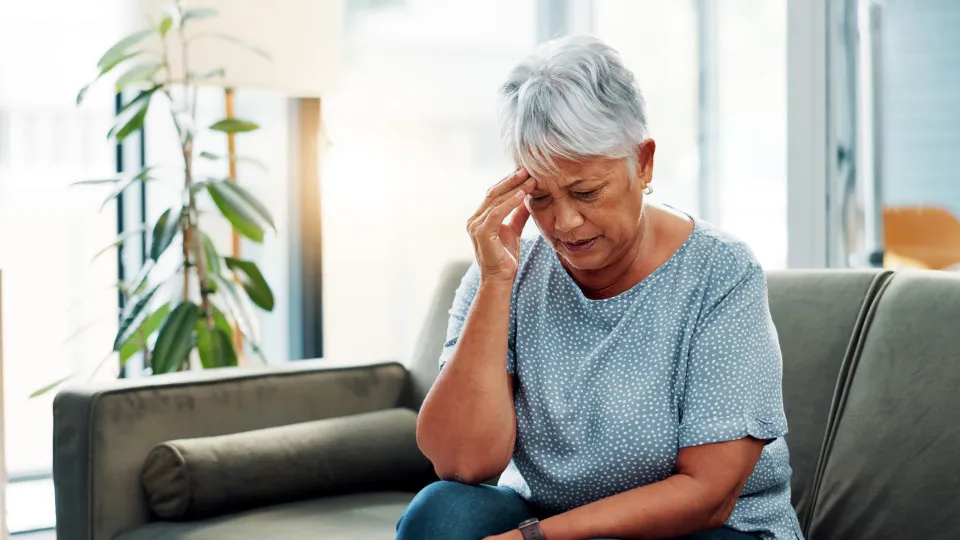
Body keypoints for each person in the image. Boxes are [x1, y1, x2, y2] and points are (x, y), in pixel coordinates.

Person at [397, 35, 804, 540]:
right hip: (553, 517)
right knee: (443, 513)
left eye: (586, 192)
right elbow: (462, 463)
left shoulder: (720, 272)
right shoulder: (503, 269)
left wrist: (534, 538)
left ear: (643, 162)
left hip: (707, 532)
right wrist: (496, 285)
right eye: (539, 197)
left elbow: (708, 494)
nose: (564, 222)